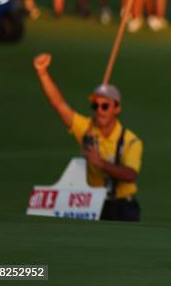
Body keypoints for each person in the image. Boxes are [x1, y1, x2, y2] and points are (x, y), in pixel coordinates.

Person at [32, 53, 143, 221]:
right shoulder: (86, 129)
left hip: (123, 206)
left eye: (105, 106)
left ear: (117, 108)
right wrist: (43, 73)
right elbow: (59, 105)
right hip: (92, 205)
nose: (99, 110)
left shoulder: (131, 140)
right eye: (95, 105)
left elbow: (130, 175)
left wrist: (100, 163)